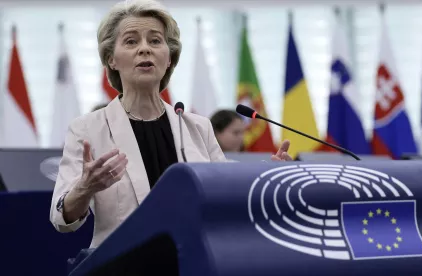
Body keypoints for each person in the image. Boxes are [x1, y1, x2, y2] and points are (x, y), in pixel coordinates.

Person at [50, 0, 293, 249]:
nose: (145, 49)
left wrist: (267, 179)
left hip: (192, 260)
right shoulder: (87, 129)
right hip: (121, 263)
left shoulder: (198, 128)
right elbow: (61, 218)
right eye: (131, 41)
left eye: (155, 41)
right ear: (111, 59)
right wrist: (85, 188)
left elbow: (225, 195)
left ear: (169, 58)